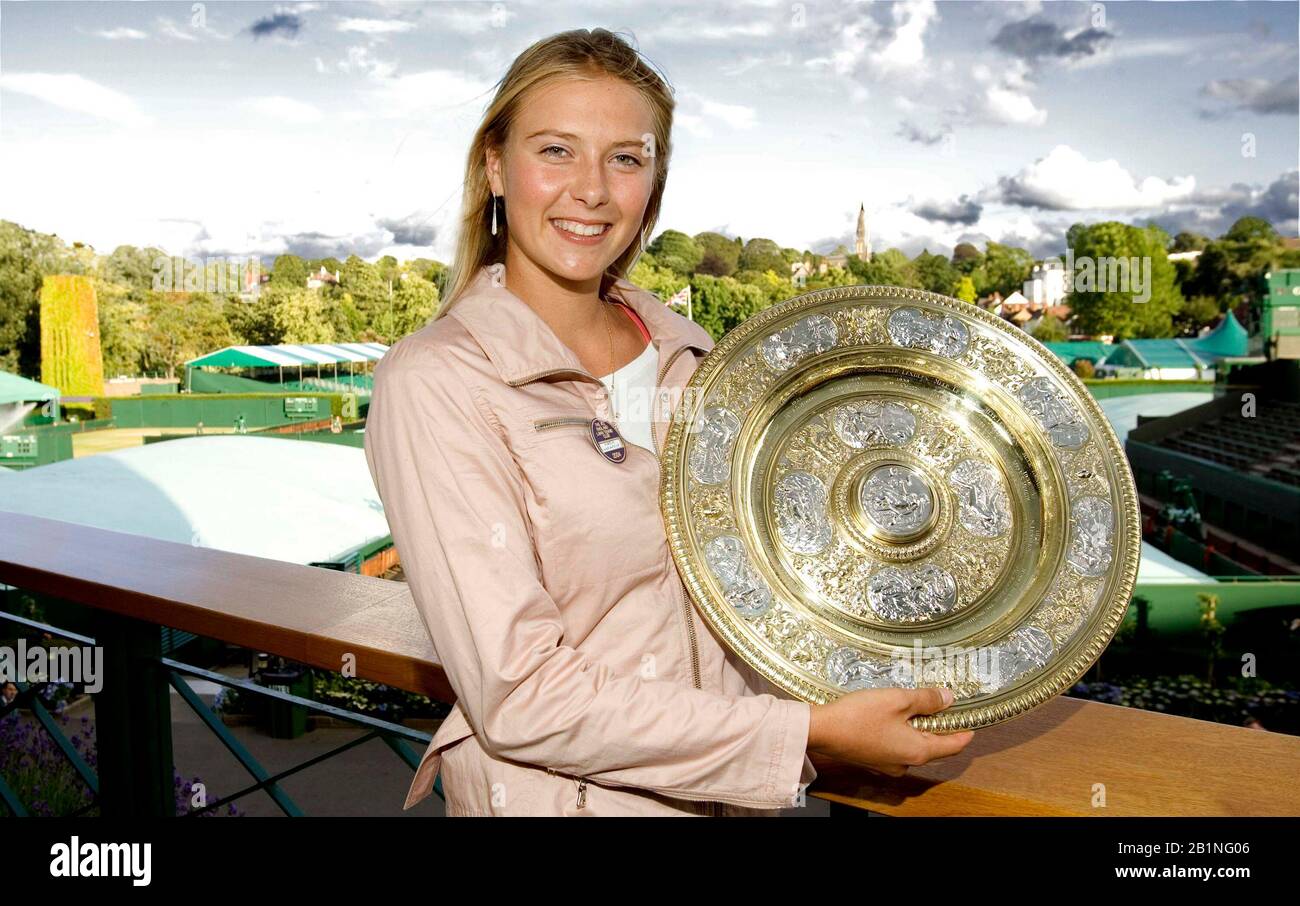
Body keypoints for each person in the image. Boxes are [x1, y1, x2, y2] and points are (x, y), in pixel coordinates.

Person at [363, 28, 973, 817]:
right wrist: (805, 735)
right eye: (556, 150)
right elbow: (520, 695)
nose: (591, 190)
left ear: (654, 180)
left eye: (626, 157)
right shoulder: (436, 380)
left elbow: (775, 586)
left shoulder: (701, 358)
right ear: (494, 166)